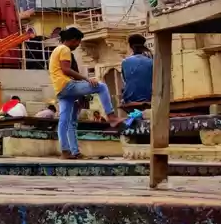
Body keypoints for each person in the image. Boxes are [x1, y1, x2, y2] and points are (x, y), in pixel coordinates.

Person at [50, 27, 121, 159]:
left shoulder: (56, 50)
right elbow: (66, 70)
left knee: (65, 121)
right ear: (72, 40)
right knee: (102, 87)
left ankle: (68, 152)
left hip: (59, 89)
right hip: (67, 85)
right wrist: (87, 79)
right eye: (78, 42)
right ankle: (111, 117)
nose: (78, 45)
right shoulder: (64, 49)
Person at [121, 33, 154, 106]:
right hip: (149, 98)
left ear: (130, 46)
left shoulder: (125, 62)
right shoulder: (152, 61)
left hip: (130, 100)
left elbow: (126, 80)